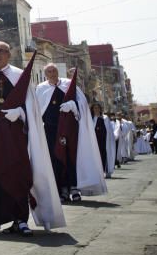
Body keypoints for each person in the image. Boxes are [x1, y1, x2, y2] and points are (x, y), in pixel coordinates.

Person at [0, 43, 64, 238]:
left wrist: (20, 113)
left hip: (16, 134)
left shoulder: (19, 75)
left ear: (9, 54)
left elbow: (32, 107)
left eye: (2, 51)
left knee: (18, 175)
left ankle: (20, 219)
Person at [35, 65, 107, 203]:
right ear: (45, 74)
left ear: (58, 72)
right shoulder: (41, 88)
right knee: (56, 159)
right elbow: (37, 109)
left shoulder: (68, 84)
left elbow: (83, 104)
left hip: (70, 129)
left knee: (71, 157)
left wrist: (73, 106)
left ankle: (74, 188)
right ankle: (62, 189)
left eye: (54, 71)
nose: (52, 73)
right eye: (49, 72)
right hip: (51, 130)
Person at [90, 103, 116, 178]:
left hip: (103, 141)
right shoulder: (90, 118)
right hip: (94, 141)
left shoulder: (104, 118)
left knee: (103, 156)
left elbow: (109, 131)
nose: (96, 109)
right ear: (92, 109)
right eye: (95, 108)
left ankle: (105, 171)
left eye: (98, 108)